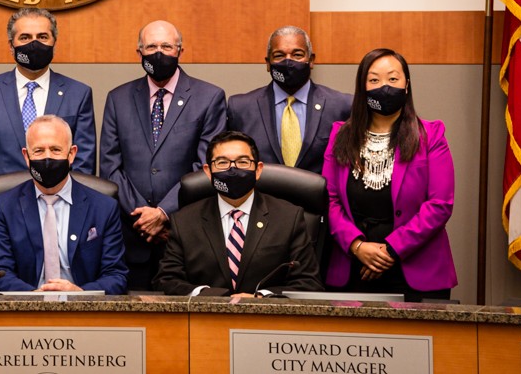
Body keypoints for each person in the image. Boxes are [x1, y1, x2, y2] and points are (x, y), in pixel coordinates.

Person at [99, 20, 227, 290]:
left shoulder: (209, 97)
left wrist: (164, 212)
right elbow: (110, 166)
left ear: (180, 50)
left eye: (166, 46)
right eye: (151, 46)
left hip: (184, 232)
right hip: (131, 235)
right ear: (139, 53)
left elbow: (205, 165)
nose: (159, 53)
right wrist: (144, 218)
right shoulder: (118, 98)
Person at [322, 48, 457, 301]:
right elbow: (329, 200)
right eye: (374, 80)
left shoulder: (432, 135)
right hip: (352, 269)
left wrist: (391, 249)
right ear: (362, 89)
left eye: (393, 79)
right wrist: (358, 246)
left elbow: (440, 205)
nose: (384, 87)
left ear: (407, 86)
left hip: (417, 271)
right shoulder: (340, 135)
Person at [154, 130, 322, 296]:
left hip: (267, 320)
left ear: (258, 170)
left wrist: (261, 298)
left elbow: (308, 283)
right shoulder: (184, 221)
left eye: (242, 162)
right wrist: (210, 296)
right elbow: (166, 280)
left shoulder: (288, 217)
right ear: (207, 171)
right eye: (222, 163)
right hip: (205, 320)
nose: (232, 169)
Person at [0, 115, 127, 294]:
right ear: (26, 156)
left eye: (56, 149)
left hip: (85, 313)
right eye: (38, 151)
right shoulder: (5, 206)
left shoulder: (104, 207)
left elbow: (116, 276)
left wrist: (79, 294)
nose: (47, 158)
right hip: (26, 313)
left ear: (72, 153)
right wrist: (33, 299)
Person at [0, 7, 96, 197]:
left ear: (54, 43)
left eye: (42, 37)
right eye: (25, 38)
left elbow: (83, 162)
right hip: (1, 213)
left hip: (61, 212)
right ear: (11, 46)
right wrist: (1, 205)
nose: (34, 44)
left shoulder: (78, 93)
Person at [228, 26, 351, 173]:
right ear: (268, 63)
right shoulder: (241, 108)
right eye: (279, 55)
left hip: (317, 195)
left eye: (297, 55)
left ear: (311, 60)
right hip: (263, 194)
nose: (289, 62)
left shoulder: (341, 106)